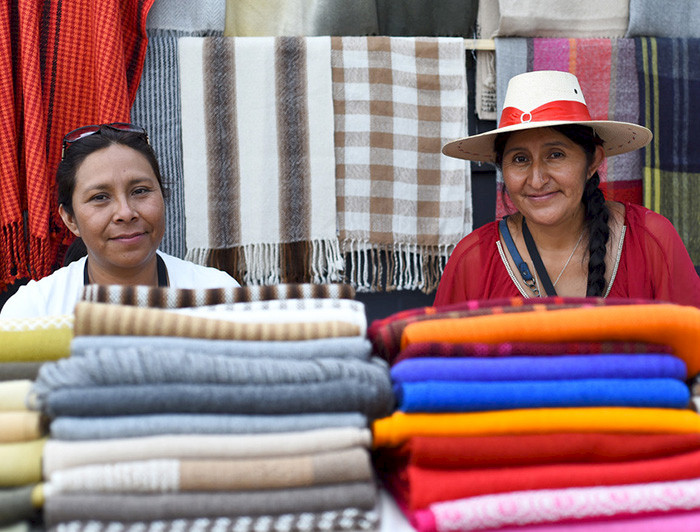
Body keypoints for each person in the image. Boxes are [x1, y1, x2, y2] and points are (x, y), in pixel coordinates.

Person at [434, 70, 700, 307]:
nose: (537, 180)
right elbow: (437, 358)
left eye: (556, 155)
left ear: (592, 161)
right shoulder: (474, 260)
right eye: (520, 159)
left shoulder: (649, 241)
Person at [1, 123, 239, 318]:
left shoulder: (219, 299)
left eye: (140, 191)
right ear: (70, 219)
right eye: (100, 197)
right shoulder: (33, 313)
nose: (125, 213)